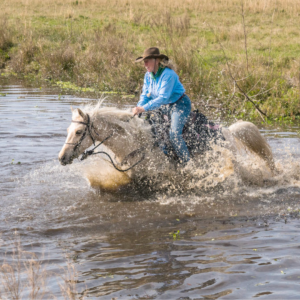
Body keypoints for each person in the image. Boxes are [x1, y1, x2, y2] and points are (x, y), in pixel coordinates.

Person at [133, 47, 191, 164]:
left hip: (180, 104)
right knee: (155, 134)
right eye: (144, 62)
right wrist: (138, 107)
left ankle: (188, 164)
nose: (145, 64)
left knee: (174, 135)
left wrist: (143, 108)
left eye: (147, 61)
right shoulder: (148, 75)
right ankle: (170, 161)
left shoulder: (168, 74)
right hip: (164, 107)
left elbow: (162, 98)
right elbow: (145, 95)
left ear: (157, 60)